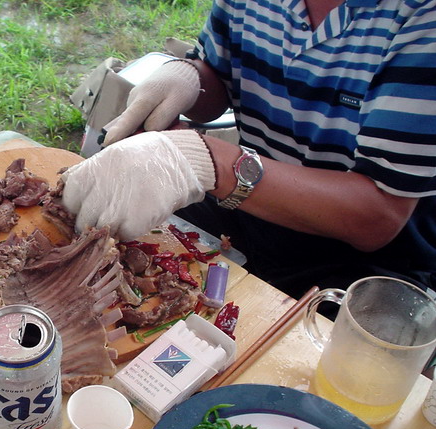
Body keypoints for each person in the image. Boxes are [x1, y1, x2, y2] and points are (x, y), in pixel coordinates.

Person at [61, 0, 436, 301]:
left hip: (361, 262)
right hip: (248, 206)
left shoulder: (422, 17)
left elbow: (376, 218)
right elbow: (220, 76)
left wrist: (204, 161)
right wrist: (187, 76)